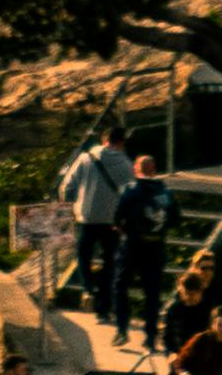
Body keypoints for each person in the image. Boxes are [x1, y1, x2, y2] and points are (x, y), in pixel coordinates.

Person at [60, 116, 134, 303]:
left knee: (83, 255)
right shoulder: (127, 165)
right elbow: (131, 195)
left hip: (85, 217)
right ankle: (104, 297)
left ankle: (88, 290)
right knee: (110, 259)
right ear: (122, 142)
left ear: (104, 139)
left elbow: (67, 186)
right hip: (111, 220)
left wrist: (68, 208)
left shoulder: (86, 158)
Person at [109, 143, 176, 348]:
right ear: (154, 170)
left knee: (121, 287)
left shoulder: (129, 191)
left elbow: (117, 219)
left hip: (131, 247)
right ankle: (150, 337)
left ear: (136, 170)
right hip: (155, 248)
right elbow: (174, 220)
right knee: (152, 293)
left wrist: (123, 230)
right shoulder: (166, 192)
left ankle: (122, 329)